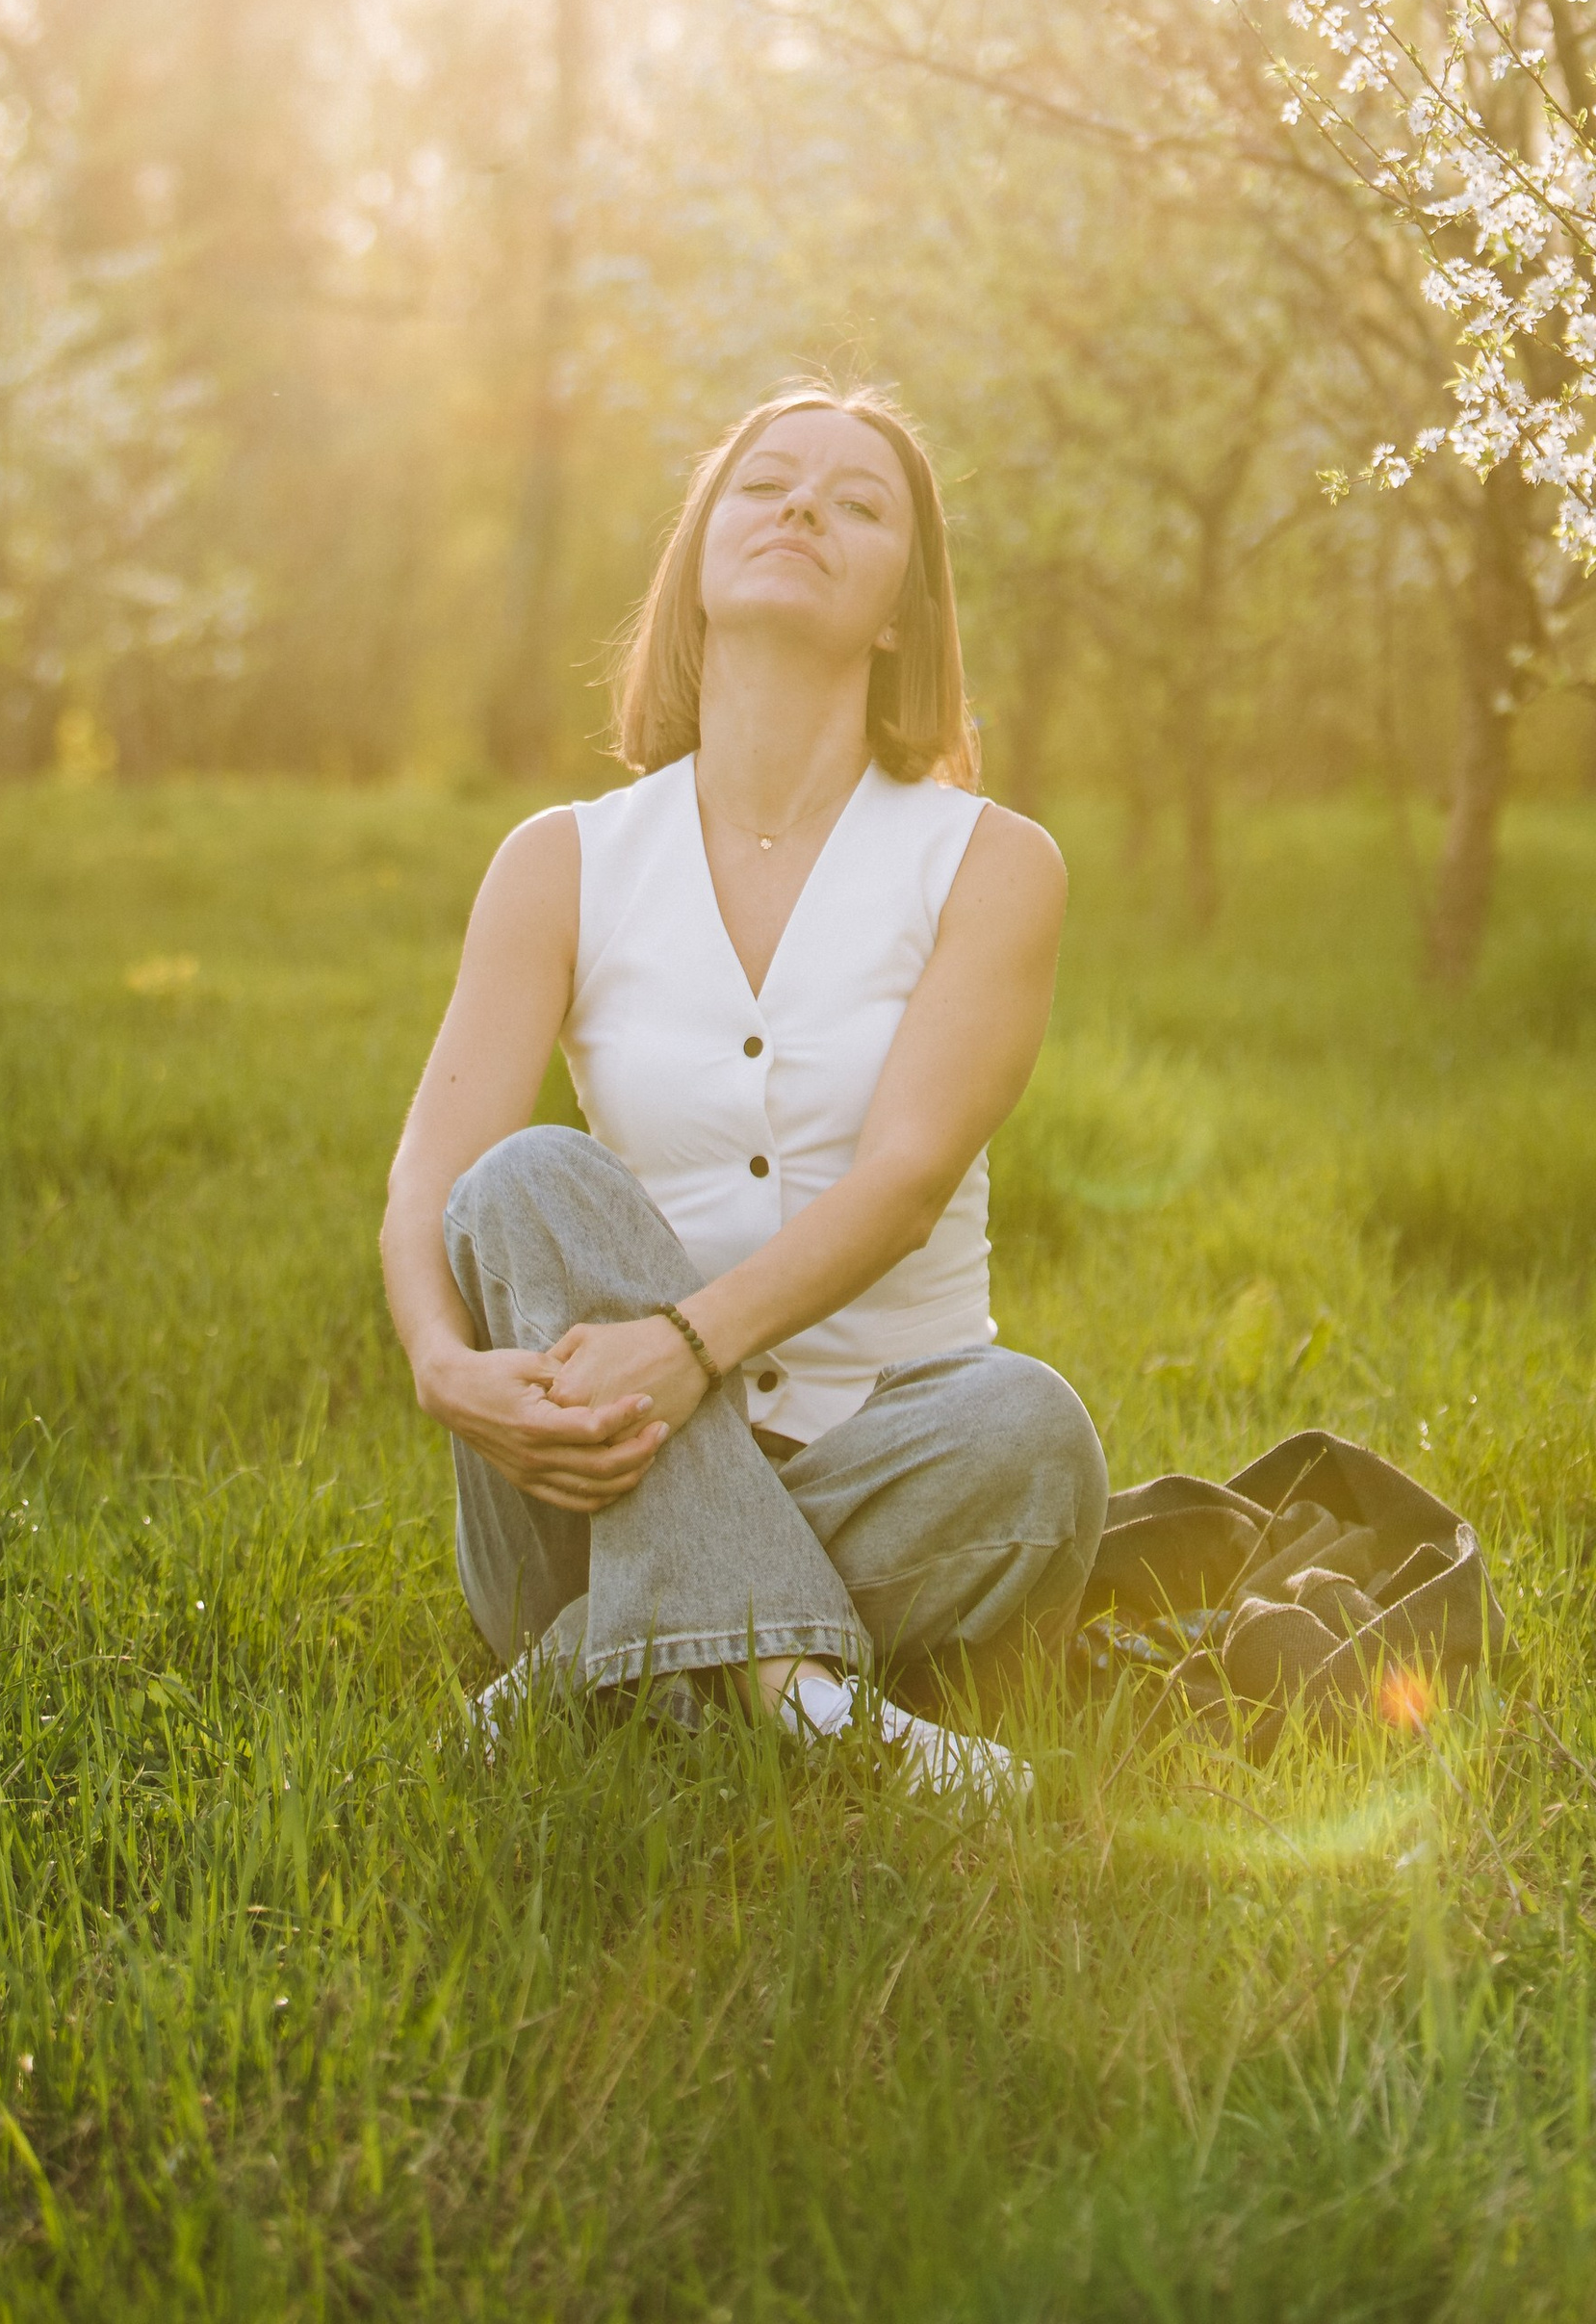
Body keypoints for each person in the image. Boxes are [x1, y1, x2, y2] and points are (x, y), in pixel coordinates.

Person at [379, 383, 1108, 1807]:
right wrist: (438, 1364)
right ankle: (809, 1704)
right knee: (528, 1178)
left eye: (858, 502)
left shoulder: (995, 863)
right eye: (766, 485)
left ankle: (622, 1667)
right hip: (579, 1483)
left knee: (1036, 1432)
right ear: (700, 555)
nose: (801, 510)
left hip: (896, 1453)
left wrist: (688, 1349)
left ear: (903, 607)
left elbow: (902, 1187)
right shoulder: (563, 859)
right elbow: (430, 1183)